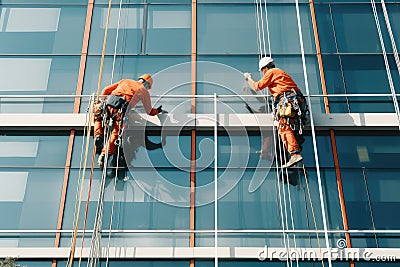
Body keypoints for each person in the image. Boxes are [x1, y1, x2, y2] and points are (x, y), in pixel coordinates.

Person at [244, 57, 305, 168]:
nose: (263, 74)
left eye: (262, 71)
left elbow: (257, 87)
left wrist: (249, 78)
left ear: (265, 68)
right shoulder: (280, 74)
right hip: (294, 101)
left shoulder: (272, 72)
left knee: (284, 127)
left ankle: (294, 154)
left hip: (288, 101)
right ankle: (294, 153)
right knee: (289, 128)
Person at [93, 74, 163, 168]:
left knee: (98, 118)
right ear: (147, 85)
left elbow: (106, 90)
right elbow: (149, 111)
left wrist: (101, 100)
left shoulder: (125, 81)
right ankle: (104, 154)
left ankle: (98, 135)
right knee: (116, 132)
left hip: (109, 104)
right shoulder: (144, 91)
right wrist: (158, 111)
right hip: (121, 110)